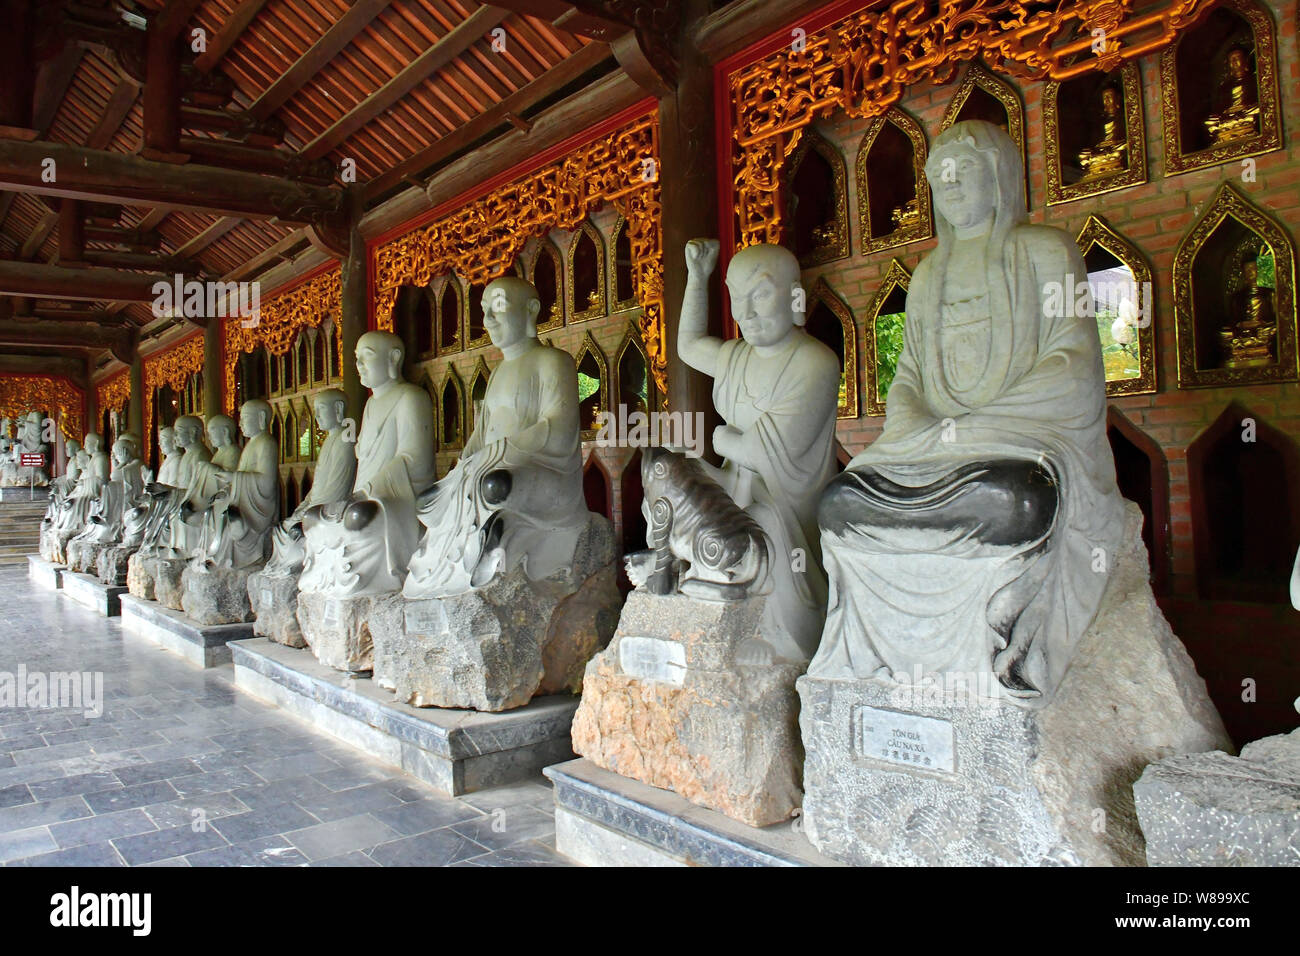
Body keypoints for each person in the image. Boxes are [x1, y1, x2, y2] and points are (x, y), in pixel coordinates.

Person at [808, 120, 1125, 702]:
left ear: (1000, 176)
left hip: (1013, 443)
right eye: (939, 177)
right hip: (934, 448)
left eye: (964, 171)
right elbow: (907, 379)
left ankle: (999, 655)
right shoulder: (929, 274)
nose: (949, 186)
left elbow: (1076, 368)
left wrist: (976, 426)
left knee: (1018, 499)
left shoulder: (1046, 251)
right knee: (840, 501)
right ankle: (878, 661)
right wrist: (922, 426)